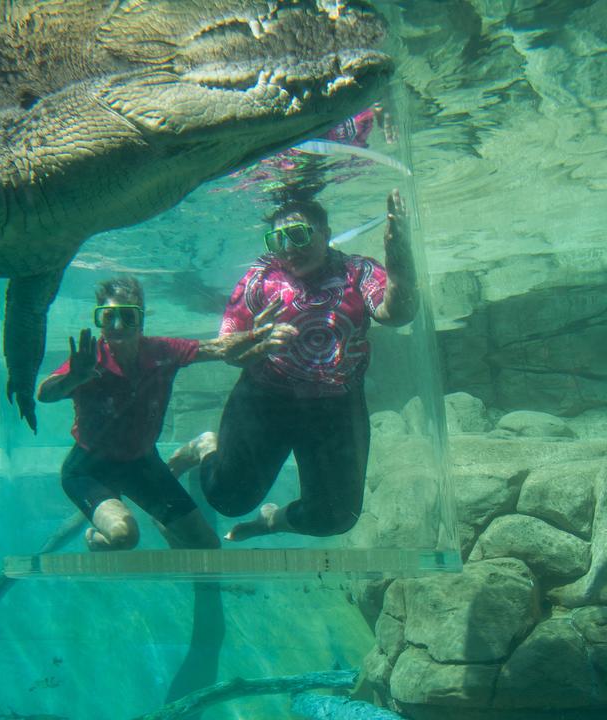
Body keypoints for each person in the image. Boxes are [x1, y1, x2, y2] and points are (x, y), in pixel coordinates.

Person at [170, 189, 417, 541]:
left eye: (298, 234)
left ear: (326, 234)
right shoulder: (260, 279)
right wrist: (252, 342)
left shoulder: (356, 271)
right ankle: (206, 447)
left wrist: (399, 259)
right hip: (266, 398)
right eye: (277, 238)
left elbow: (397, 314)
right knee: (227, 499)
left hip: (336, 405)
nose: (287, 247)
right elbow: (226, 349)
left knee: (336, 518)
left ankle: (272, 522)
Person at [37, 275, 278, 551]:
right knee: (124, 536)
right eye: (108, 316)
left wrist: (255, 334)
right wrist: (74, 378)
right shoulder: (91, 360)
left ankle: (161, 515)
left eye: (127, 316)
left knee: (207, 546)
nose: (117, 326)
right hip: (89, 470)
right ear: (99, 319)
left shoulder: (161, 351)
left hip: (142, 465)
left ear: (141, 320)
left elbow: (217, 347)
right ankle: (96, 539)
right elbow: (45, 394)